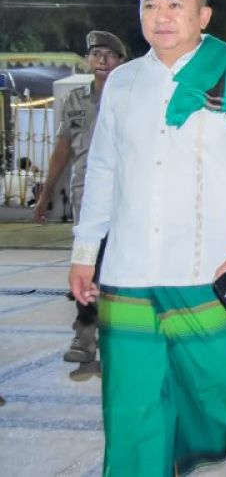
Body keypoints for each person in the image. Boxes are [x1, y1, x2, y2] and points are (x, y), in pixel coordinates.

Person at [68, 0, 226, 477]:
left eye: (175, 5)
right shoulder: (121, 83)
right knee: (132, 400)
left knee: (221, 370)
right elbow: (102, 168)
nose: (161, 16)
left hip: (207, 260)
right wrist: (83, 251)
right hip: (129, 266)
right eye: (150, 5)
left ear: (203, 15)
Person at [33, 31, 126, 364]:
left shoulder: (131, 96)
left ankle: (116, 338)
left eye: (109, 55)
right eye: (96, 54)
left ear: (120, 61)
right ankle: (85, 336)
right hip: (85, 196)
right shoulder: (75, 101)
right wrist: (45, 194)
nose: (102, 60)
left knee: (120, 269)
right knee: (88, 265)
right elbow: (61, 150)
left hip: (126, 197)